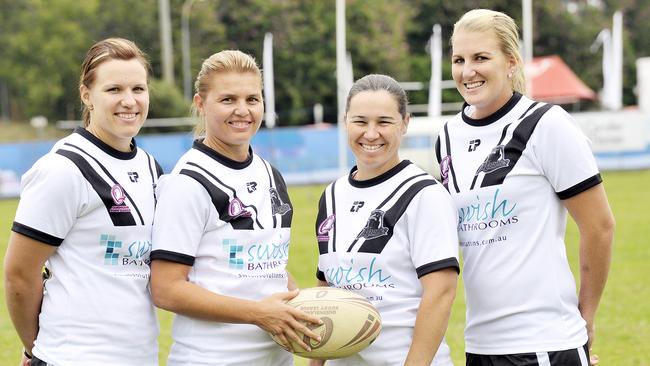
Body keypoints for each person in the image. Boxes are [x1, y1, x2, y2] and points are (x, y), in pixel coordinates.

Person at [436, 9, 615, 366]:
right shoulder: (447, 136)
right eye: (459, 59)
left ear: (511, 62)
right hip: (480, 345)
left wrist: (586, 316)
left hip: (544, 342)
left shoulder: (546, 125)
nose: (467, 71)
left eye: (481, 58)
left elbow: (599, 226)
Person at [149, 50, 322, 366]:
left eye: (252, 100)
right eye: (228, 100)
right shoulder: (187, 182)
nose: (242, 111)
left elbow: (268, 265)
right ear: (201, 104)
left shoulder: (270, 173)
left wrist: (304, 304)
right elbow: (166, 289)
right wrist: (258, 314)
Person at [4, 37, 161, 366]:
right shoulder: (63, 168)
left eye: (138, 89)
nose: (129, 101)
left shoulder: (149, 166)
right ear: (86, 95)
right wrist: (37, 349)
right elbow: (19, 274)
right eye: (114, 89)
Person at [311, 74, 459, 366]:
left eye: (384, 122)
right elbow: (327, 291)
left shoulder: (424, 194)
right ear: (345, 122)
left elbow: (441, 292)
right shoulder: (332, 195)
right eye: (360, 121)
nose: (371, 133)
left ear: (405, 123)